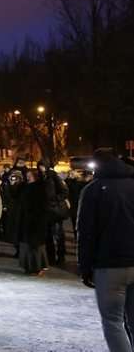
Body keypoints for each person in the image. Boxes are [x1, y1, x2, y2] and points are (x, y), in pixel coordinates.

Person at [78, 150, 134, 352]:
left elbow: (86, 233)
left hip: (109, 266)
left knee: (113, 322)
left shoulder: (93, 190)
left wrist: (85, 268)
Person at [38, 159, 70, 266]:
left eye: (42, 166)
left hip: (55, 211)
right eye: (40, 166)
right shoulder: (40, 177)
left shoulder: (53, 176)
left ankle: (61, 256)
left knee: (58, 234)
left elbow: (64, 191)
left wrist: (55, 200)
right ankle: (50, 257)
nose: (41, 168)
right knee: (47, 235)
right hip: (44, 210)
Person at [18, 170, 49, 276]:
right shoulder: (26, 187)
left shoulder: (40, 188)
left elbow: (41, 205)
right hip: (27, 219)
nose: (27, 177)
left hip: (37, 220)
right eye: (27, 175)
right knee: (27, 244)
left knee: (36, 245)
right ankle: (29, 266)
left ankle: (38, 267)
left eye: (29, 176)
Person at [0, 169, 25, 257]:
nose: (14, 178)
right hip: (11, 210)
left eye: (16, 177)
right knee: (12, 230)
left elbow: (16, 195)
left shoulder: (23, 186)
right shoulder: (7, 184)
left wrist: (12, 185)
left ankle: (20, 250)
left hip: (19, 211)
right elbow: (6, 195)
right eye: (12, 176)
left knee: (18, 231)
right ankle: (17, 248)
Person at [66, 169, 91, 242]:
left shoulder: (80, 183)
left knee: (80, 222)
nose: (70, 175)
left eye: (72, 174)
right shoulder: (70, 182)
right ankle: (77, 237)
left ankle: (80, 237)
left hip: (79, 204)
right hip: (73, 205)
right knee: (74, 222)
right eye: (69, 174)